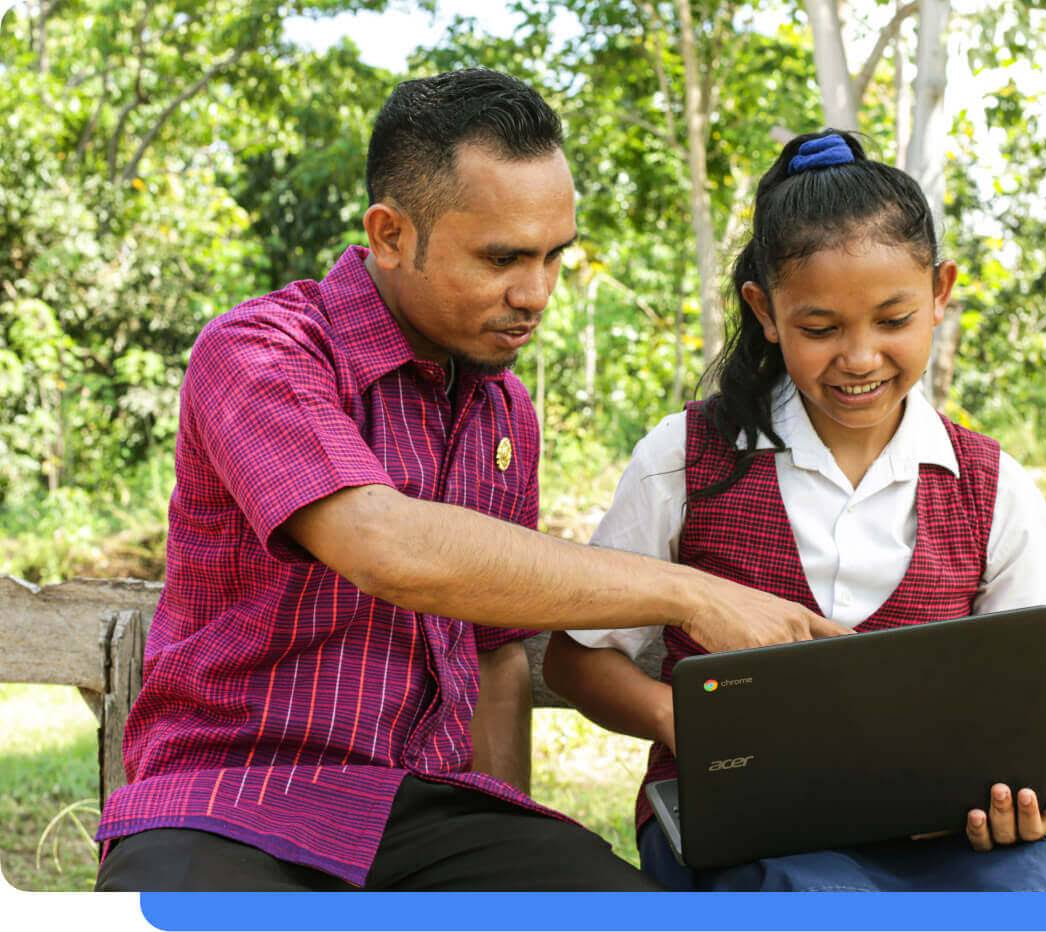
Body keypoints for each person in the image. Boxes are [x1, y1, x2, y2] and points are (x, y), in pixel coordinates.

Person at [92, 70, 847, 893]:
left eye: (556, 255)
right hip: (231, 804)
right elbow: (384, 545)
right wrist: (692, 594)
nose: (537, 294)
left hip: (436, 818)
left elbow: (495, 660)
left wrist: (506, 833)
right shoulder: (263, 351)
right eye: (503, 258)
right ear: (389, 235)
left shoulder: (504, 410)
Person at [544, 130, 1046, 892]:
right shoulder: (687, 460)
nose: (860, 357)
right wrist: (682, 724)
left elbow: (1040, 731)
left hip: (947, 837)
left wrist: (1040, 793)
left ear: (940, 294)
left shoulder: (989, 485)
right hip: (751, 830)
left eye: (893, 319)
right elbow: (577, 658)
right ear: (766, 311)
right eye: (819, 329)